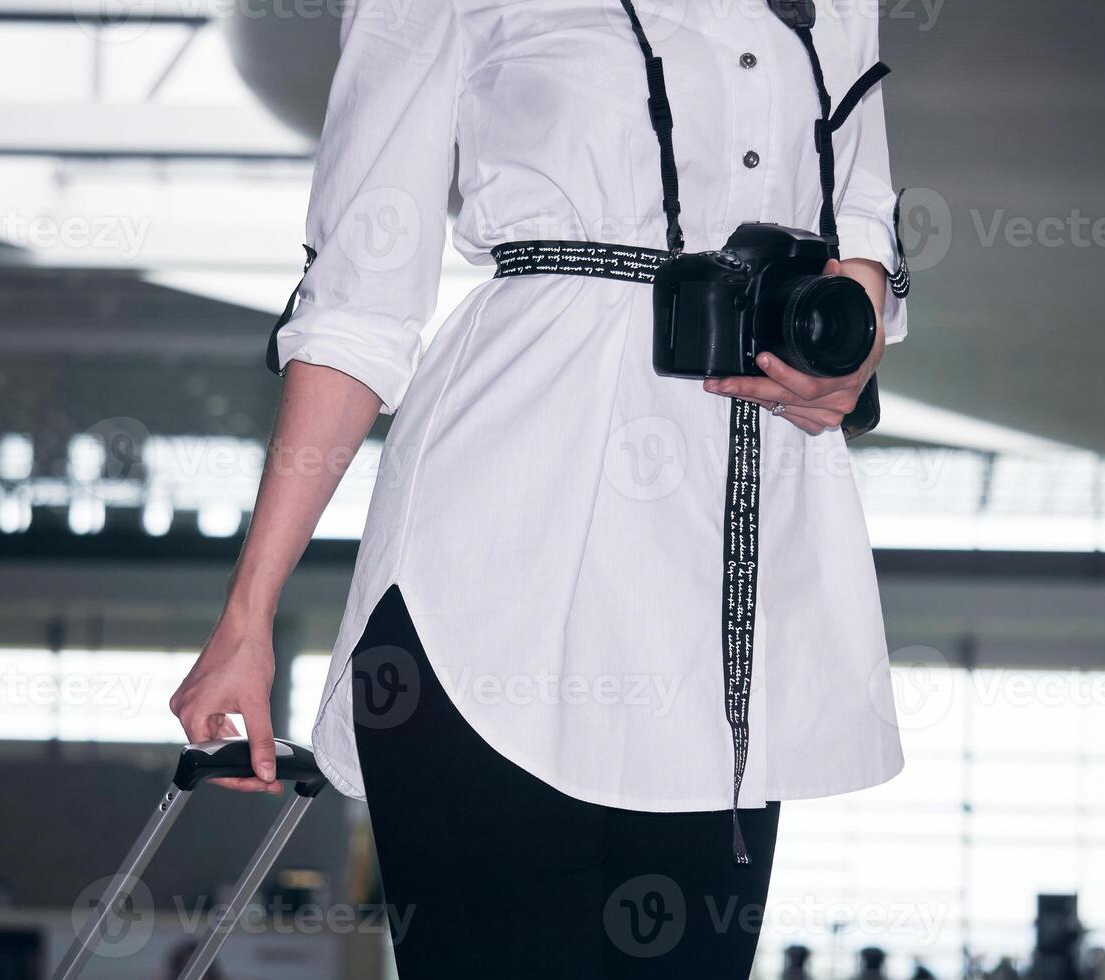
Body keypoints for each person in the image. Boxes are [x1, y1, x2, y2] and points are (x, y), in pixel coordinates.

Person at [170, 0, 909, 975]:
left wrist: (843, 339)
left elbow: (863, 222)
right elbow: (356, 304)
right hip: (491, 570)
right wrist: (248, 610)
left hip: (725, 596)